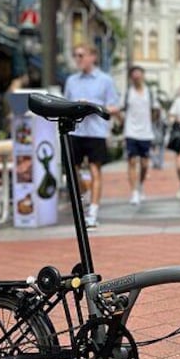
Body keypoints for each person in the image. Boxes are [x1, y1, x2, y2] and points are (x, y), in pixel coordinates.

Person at [63, 43, 119, 228]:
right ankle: (85, 193)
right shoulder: (71, 81)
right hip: (76, 131)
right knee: (73, 172)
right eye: (76, 56)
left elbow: (114, 107)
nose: (78, 59)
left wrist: (92, 106)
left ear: (92, 57)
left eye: (81, 55)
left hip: (96, 132)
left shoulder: (105, 80)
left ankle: (93, 213)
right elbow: (65, 105)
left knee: (95, 170)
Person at [123, 65, 158, 205]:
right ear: (131, 78)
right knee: (132, 162)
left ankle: (141, 184)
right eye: (134, 76)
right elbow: (121, 110)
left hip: (146, 133)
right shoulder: (128, 93)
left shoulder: (149, 92)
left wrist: (152, 122)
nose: (137, 78)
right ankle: (134, 192)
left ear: (143, 76)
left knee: (144, 164)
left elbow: (155, 110)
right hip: (131, 132)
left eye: (139, 75)